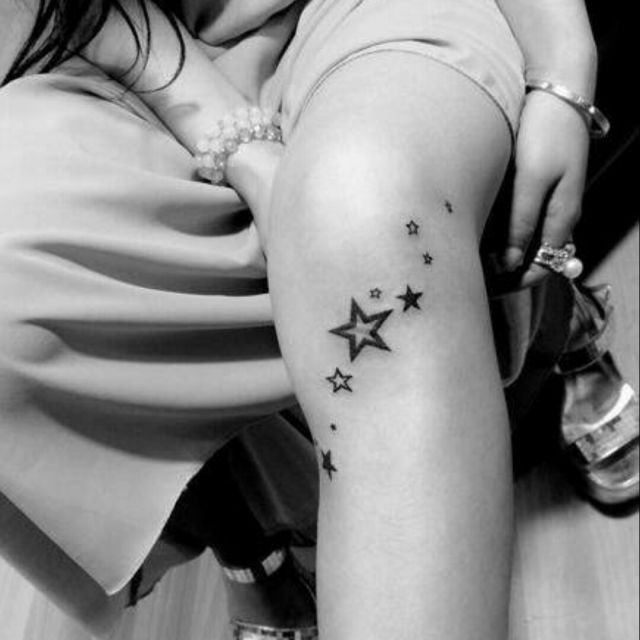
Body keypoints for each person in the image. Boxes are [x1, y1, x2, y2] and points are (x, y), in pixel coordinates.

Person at [0, 0, 605, 638]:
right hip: (91, 47)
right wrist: (239, 141)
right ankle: (250, 548)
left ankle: (554, 323)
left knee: (367, 217)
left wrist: (565, 61)